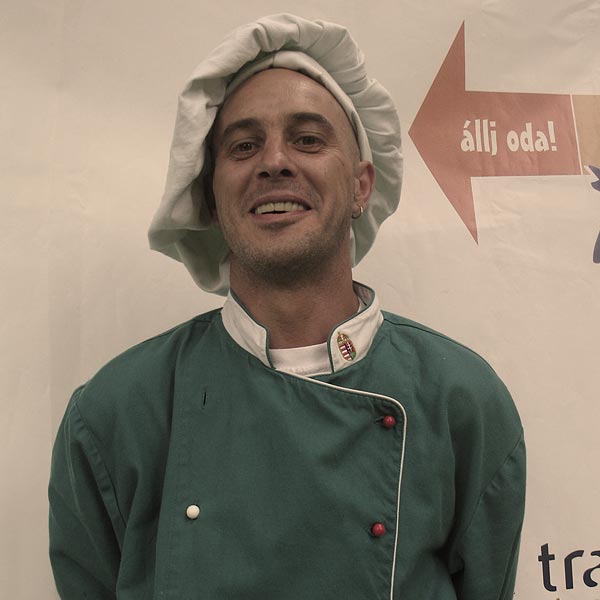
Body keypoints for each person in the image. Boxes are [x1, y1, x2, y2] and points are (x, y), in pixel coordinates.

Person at [49, 14, 526, 600]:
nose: (274, 161)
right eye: (244, 146)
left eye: (308, 139)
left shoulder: (461, 401)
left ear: (361, 186)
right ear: (211, 195)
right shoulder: (115, 413)